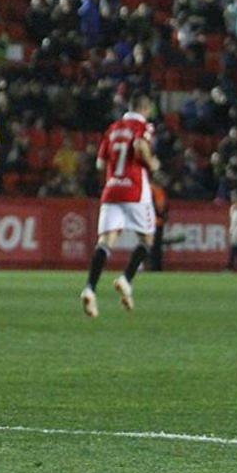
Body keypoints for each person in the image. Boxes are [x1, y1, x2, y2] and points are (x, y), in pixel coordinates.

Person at [80, 92, 160, 317]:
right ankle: (126, 279)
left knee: (105, 243)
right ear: (145, 109)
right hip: (135, 190)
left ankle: (90, 289)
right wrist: (152, 164)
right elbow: (140, 145)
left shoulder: (113, 128)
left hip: (111, 189)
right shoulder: (143, 126)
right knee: (147, 239)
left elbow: (99, 163)